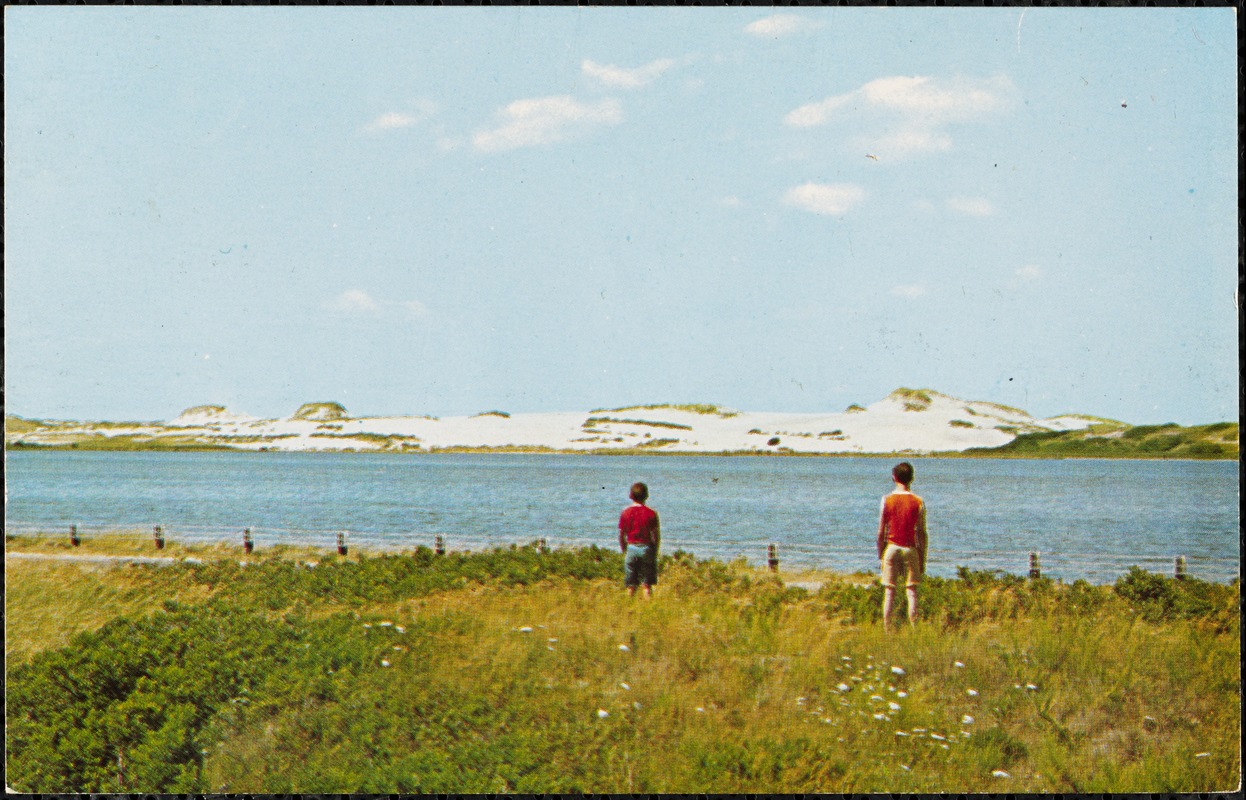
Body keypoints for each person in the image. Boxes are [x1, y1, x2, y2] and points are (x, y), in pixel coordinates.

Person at [877, 462, 927, 630]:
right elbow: (921, 532)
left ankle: (887, 629)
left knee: (889, 592)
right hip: (910, 548)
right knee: (911, 591)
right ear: (911, 479)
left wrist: (880, 554)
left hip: (891, 547)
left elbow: (881, 532)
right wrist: (922, 557)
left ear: (894, 477)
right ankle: (914, 628)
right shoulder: (918, 501)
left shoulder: (886, 500)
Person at [619, 482, 660, 598]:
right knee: (647, 585)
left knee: (631, 585)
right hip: (646, 548)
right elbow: (656, 536)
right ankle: (648, 609)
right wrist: (655, 551)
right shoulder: (651, 513)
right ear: (646, 496)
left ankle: (628, 608)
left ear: (630, 496)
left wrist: (624, 550)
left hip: (631, 548)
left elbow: (621, 535)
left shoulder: (625, 513)